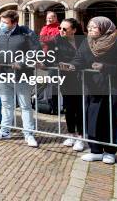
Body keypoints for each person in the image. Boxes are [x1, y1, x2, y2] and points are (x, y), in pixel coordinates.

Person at [65, 16, 117, 164]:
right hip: (94, 87)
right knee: (93, 118)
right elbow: (79, 59)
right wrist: (72, 66)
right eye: (89, 27)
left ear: (104, 28)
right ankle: (95, 150)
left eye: (94, 27)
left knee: (110, 120)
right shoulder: (86, 43)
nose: (90, 29)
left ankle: (110, 151)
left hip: (116, 88)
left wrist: (106, 67)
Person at [0, 9, 41, 148]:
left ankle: (28, 134)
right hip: (2, 75)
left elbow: (36, 50)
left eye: (5, 22)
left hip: (22, 76)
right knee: (6, 105)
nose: (2, 24)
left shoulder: (26, 32)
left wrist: (22, 62)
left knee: (25, 106)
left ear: (14, 22)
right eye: (1, 21)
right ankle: (5, 131)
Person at [47, 18, 85, 151]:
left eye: (64, 29)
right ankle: (71, 134)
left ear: (74, 30)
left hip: (83, 79)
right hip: (67, 79)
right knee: (69, 107)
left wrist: (74, 65)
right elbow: (50, 58)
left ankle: (81, 136)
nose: (61, 31)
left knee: (81, 108)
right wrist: (57, 65)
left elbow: (87, 58)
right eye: (60, 28)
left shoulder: (83, 40)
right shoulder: (56, 41)